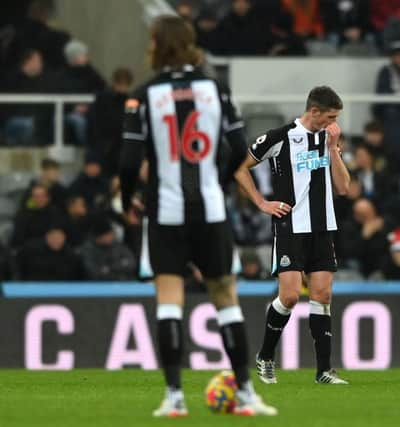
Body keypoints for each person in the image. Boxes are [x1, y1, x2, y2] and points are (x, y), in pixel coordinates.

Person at [118, 15, 277, 417]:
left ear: (156, 43)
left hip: (165, 212)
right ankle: (245, 394)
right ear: (189, 44)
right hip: (209, 210)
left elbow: (127, 160)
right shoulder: (215, 89)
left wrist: (129, 199)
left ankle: (173, 397)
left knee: (169, 302)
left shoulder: (143, 94)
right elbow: (240, 148)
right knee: (226, 299)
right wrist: (218, 185)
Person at [234, 86, 350, 385]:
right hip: (290, 225)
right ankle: (266, 356)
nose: (334, 122)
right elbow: (239, 168)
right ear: (314, 111)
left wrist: (334, 149)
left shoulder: (330, 138)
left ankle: (324, 370)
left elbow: (344, 187)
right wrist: (261, 202)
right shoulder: (279, 137)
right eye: (331, 116)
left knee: (322, 295)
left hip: (323, 226)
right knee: (288, 296)